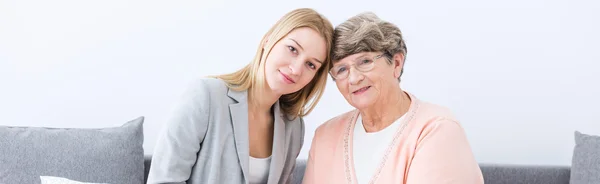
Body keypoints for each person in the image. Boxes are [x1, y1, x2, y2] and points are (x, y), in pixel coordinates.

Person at [147, 8, 334, 184]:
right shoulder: (205, 96)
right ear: (269, 40)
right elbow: (164, 179)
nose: (295, 69)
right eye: (292, 49)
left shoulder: (294, 127)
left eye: (311, 64)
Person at [302, 12, 484, 184]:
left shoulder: (437, 129)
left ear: (396, 63)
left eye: (365, 61)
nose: (354, 78)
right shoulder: (324, 136)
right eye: (342, 69)